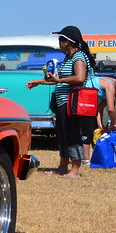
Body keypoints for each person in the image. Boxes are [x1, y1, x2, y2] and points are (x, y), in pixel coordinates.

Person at [26, 25, 97, 178]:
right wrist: (39, 81)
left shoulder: (79, 57)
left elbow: (79, 78)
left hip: (71, 103)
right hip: (62, 102)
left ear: (68, 42)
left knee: (72, 134)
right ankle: (63, 166)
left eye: (61, 40)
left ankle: (75, 169)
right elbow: (60, 81)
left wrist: (60, 79)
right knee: (63, 134)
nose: (59, 42)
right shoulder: (68, 58)